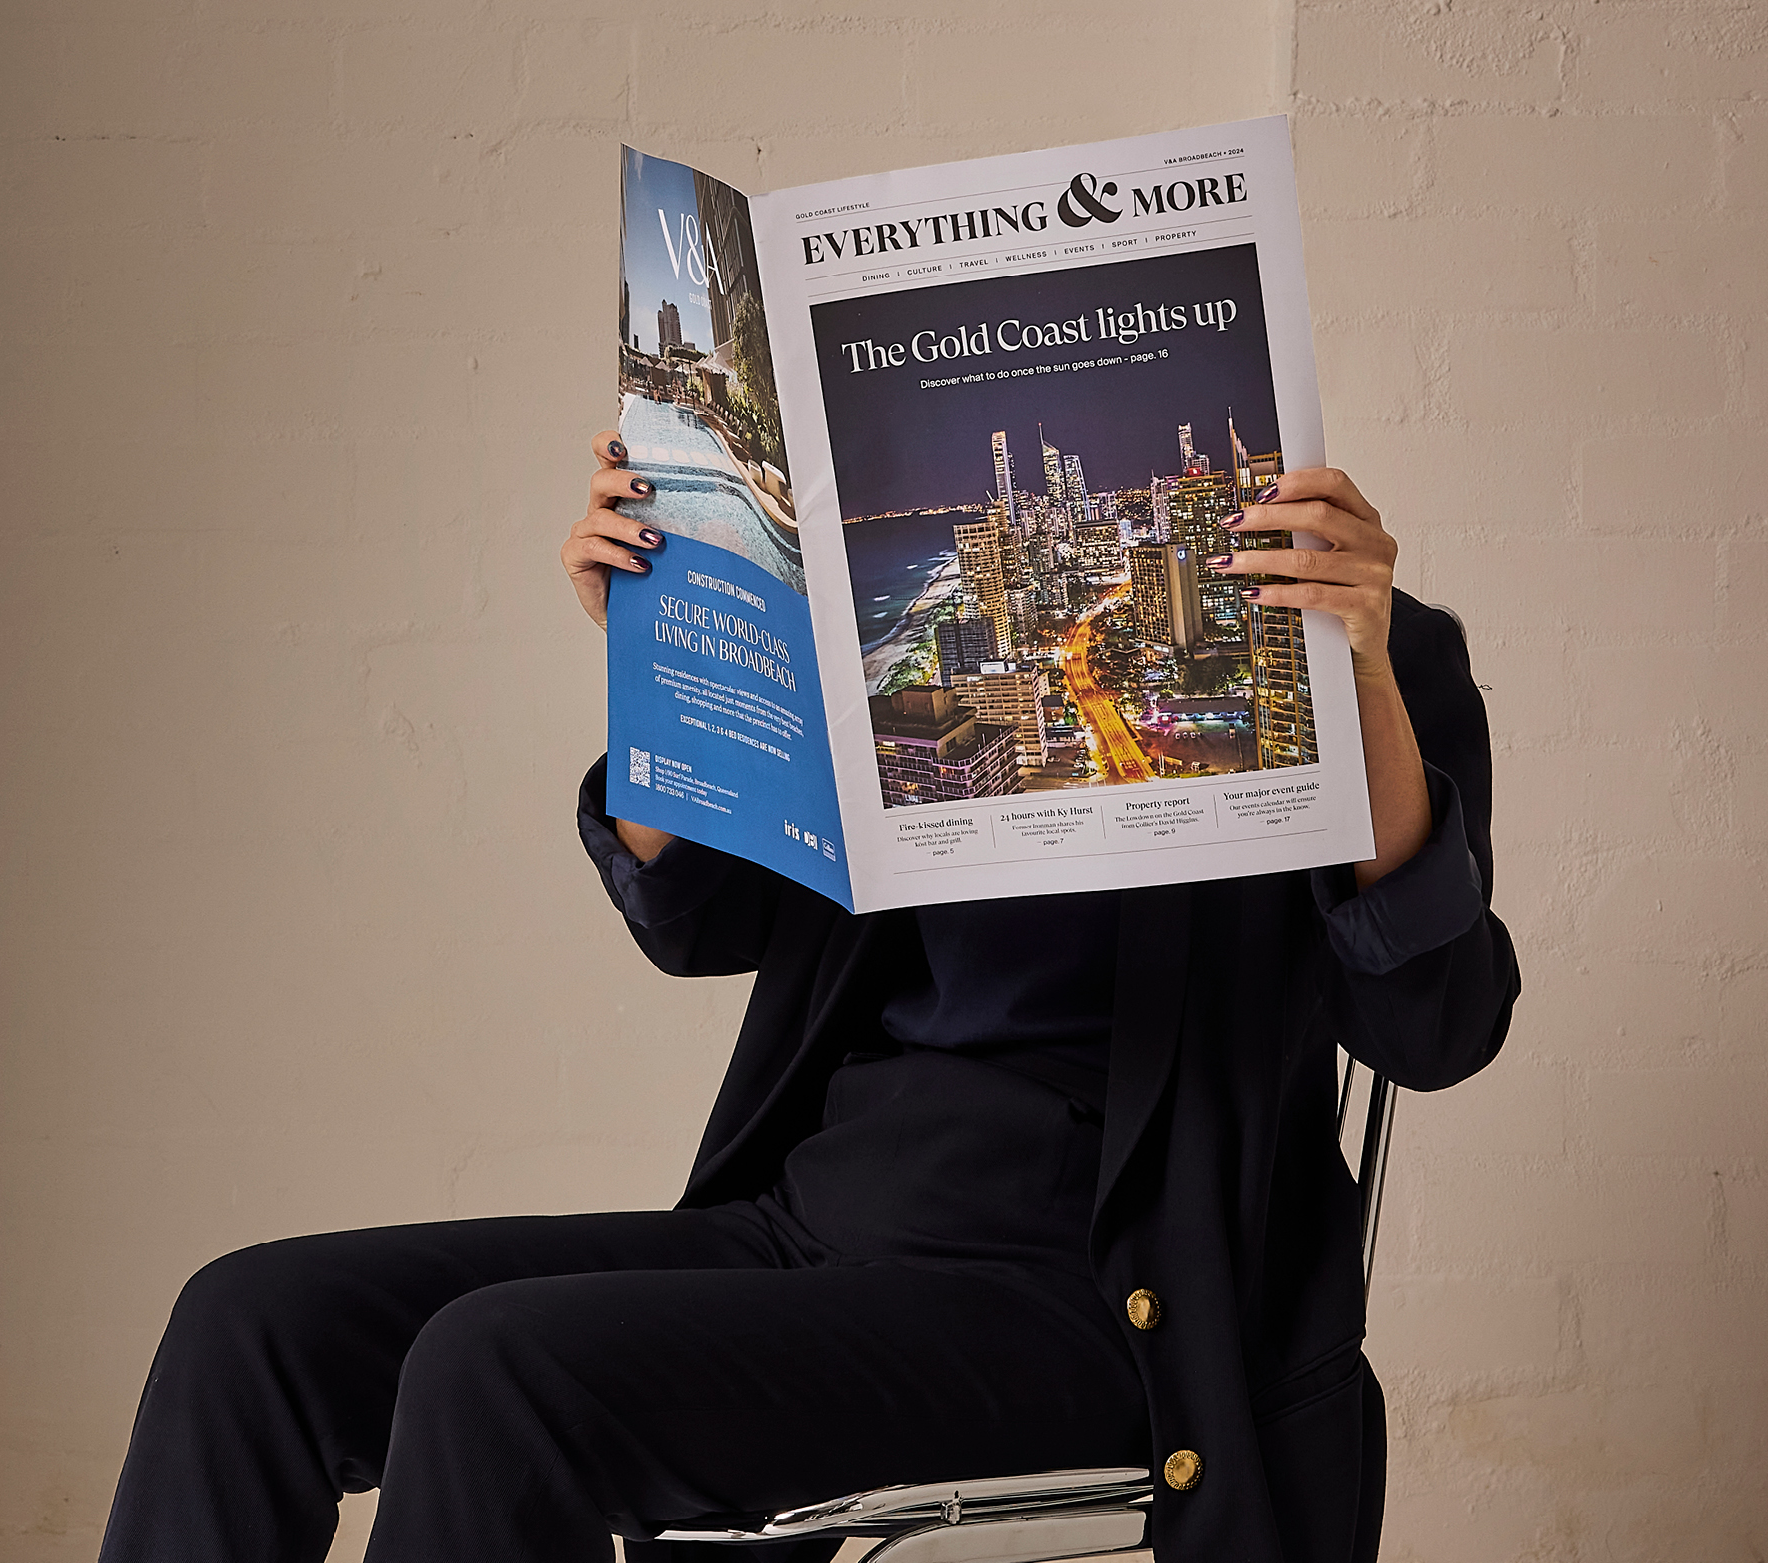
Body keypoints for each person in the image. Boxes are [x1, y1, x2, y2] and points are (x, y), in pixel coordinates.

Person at [97, 433, 1520, 1563]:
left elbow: (1431, 1028)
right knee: (250, 1324)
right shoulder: (913, 655)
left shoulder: (1368, 663)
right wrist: (667, 649)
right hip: (814, 1220)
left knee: (496, 1369)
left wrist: (1363, 673)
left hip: (1095, 1287)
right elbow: (693, 916)